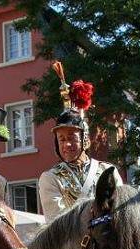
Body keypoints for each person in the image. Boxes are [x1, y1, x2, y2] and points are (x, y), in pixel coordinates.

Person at [38, 62, 120, 221]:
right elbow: (58, 223)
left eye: (71, 138)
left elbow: (120, 211)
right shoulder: (50, 178)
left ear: (84, 139)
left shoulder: (108, 171)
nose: (66, 145)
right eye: (61, 139)